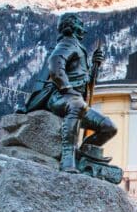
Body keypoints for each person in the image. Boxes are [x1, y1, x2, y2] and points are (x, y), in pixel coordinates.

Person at [17, 13, 117, 172]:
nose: (83, 29)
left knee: (109, 127)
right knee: (77, 106)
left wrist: (95, 65)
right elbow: (55, 64)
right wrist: (66, 89)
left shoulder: (78, 47)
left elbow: (85, 80)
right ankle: (67, 158)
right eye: (80, 24)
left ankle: (84, 153)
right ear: (71, 27)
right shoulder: (68, 43)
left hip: (76, 100)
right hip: (59, 98)